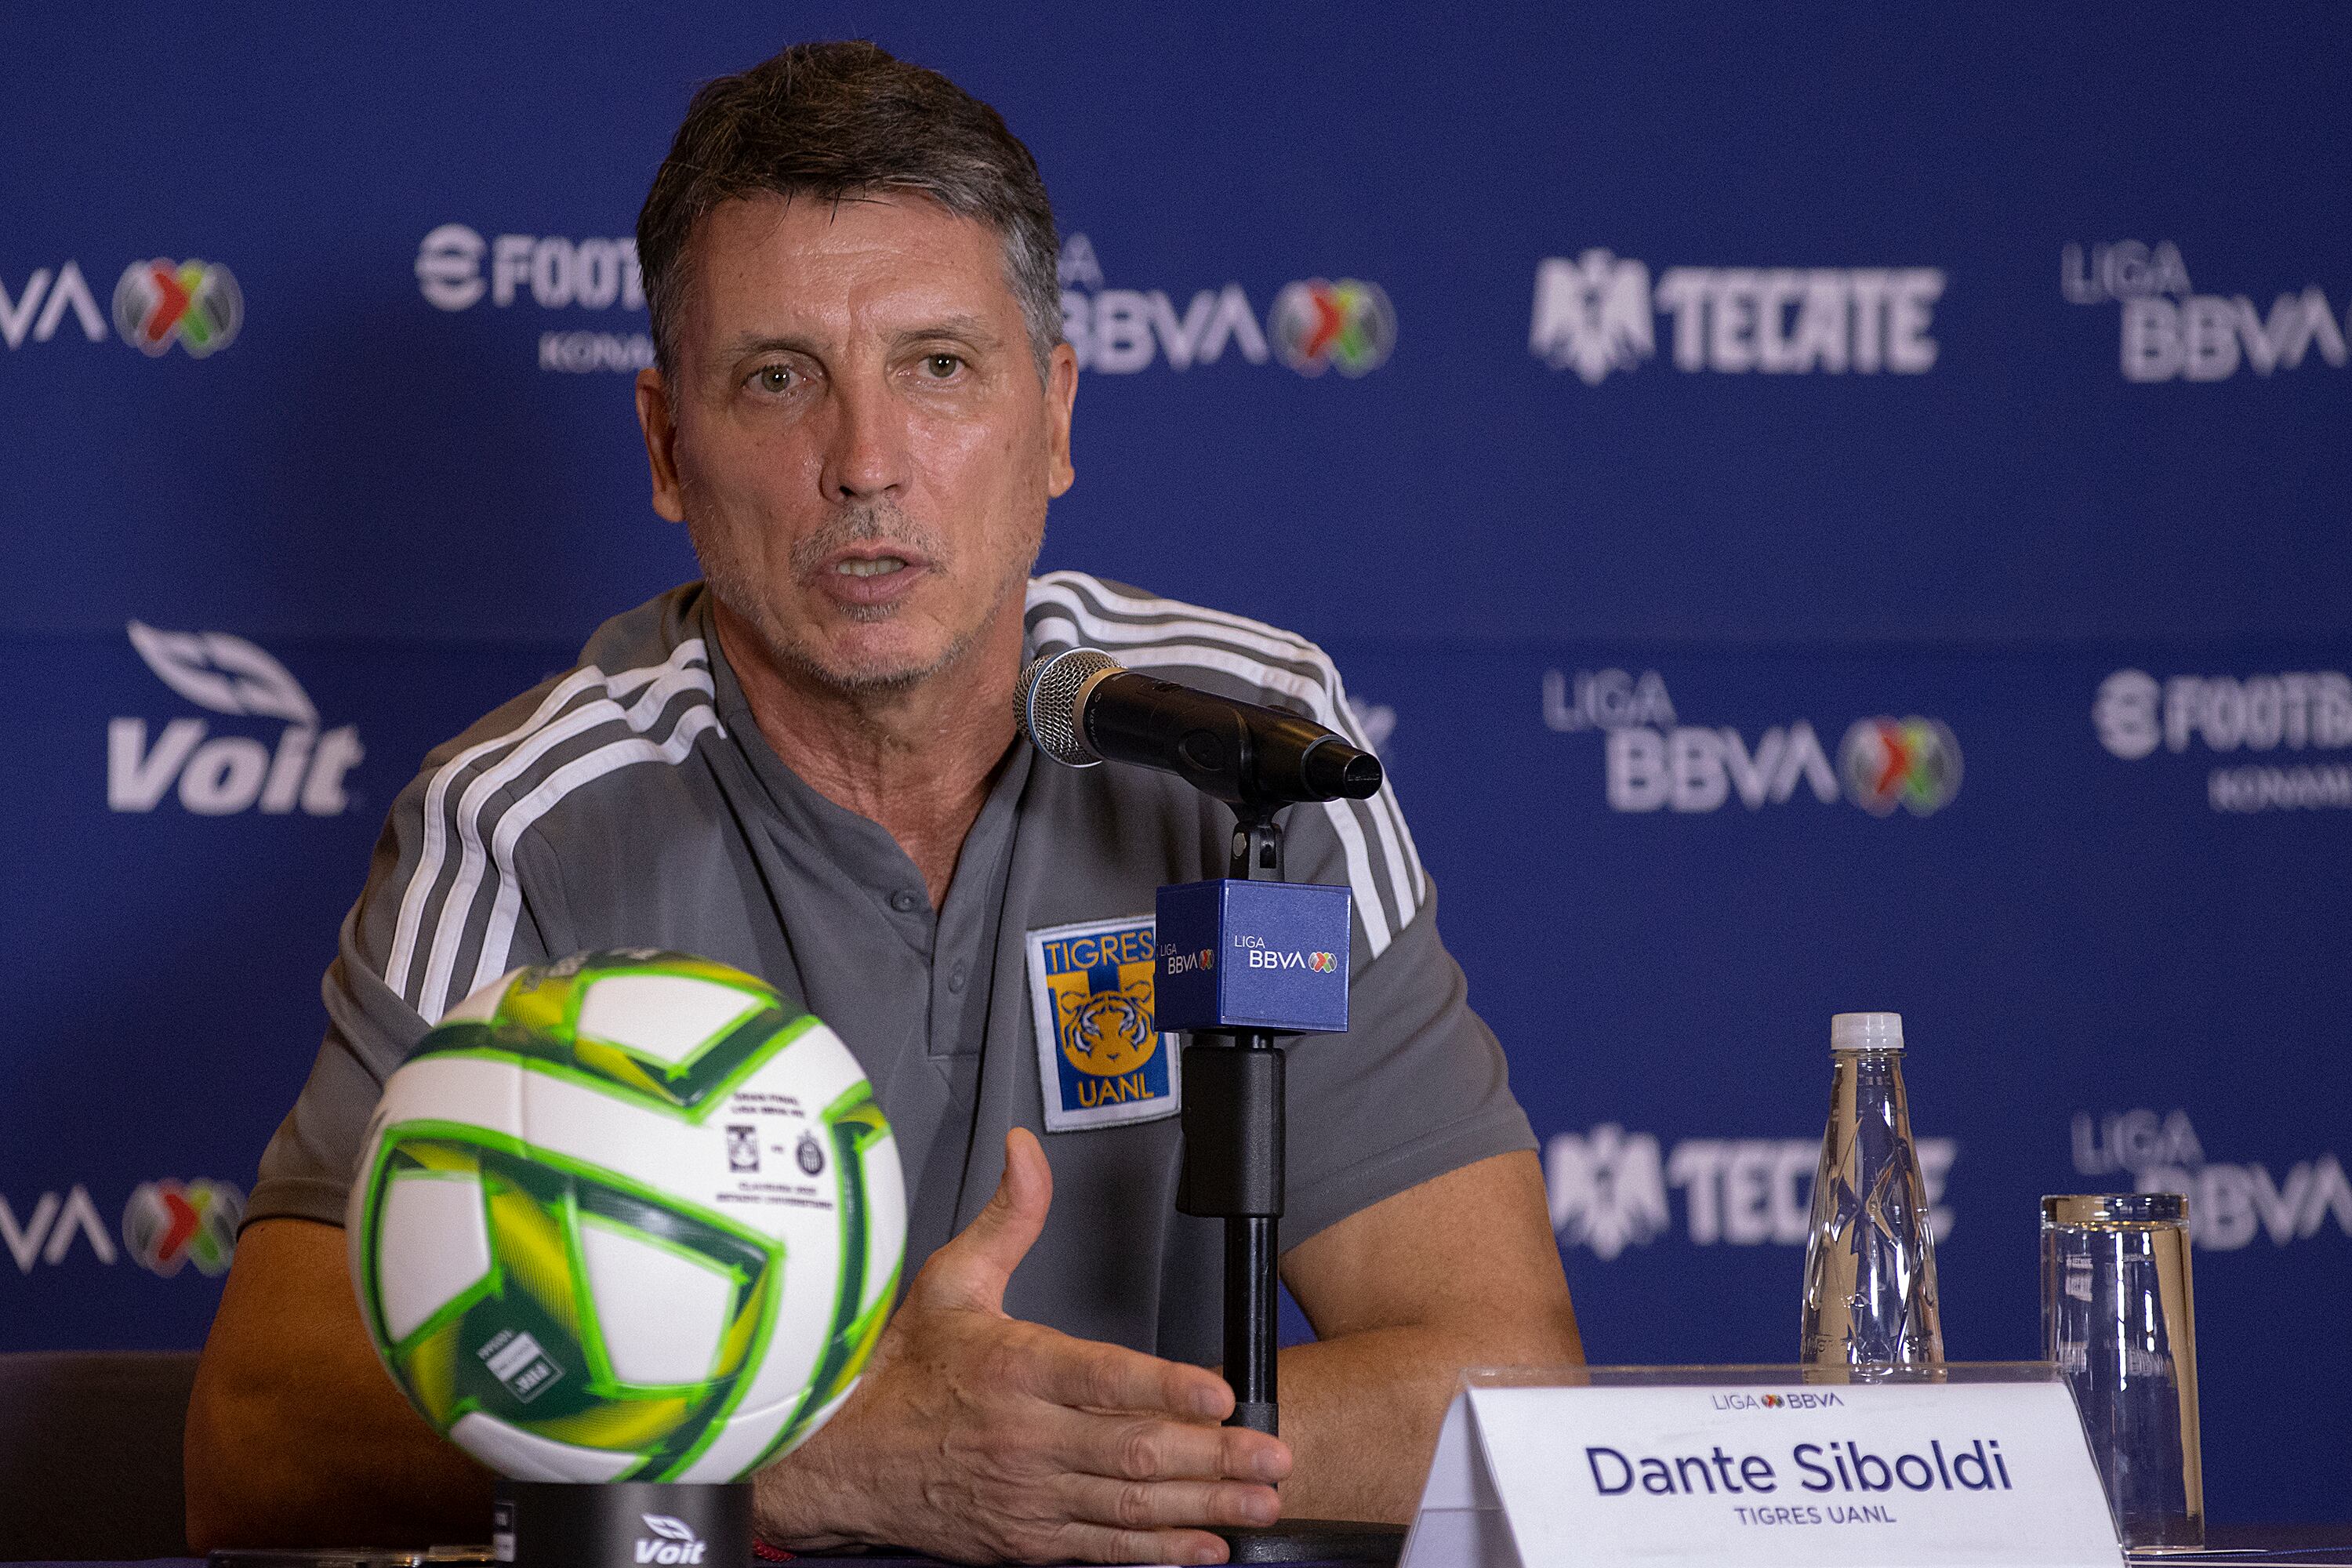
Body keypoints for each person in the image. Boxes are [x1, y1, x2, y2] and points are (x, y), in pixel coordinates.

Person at [183, 40, 1581, 1565]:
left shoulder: (1251, 757)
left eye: (937, 366)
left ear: (1052, 417)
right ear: (666, 446)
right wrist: (823, 1452)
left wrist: (1042, 1452)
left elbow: (1490, 1379)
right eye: (779, 378)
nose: (864, 462)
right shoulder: (524, 821)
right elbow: (262, 1440)